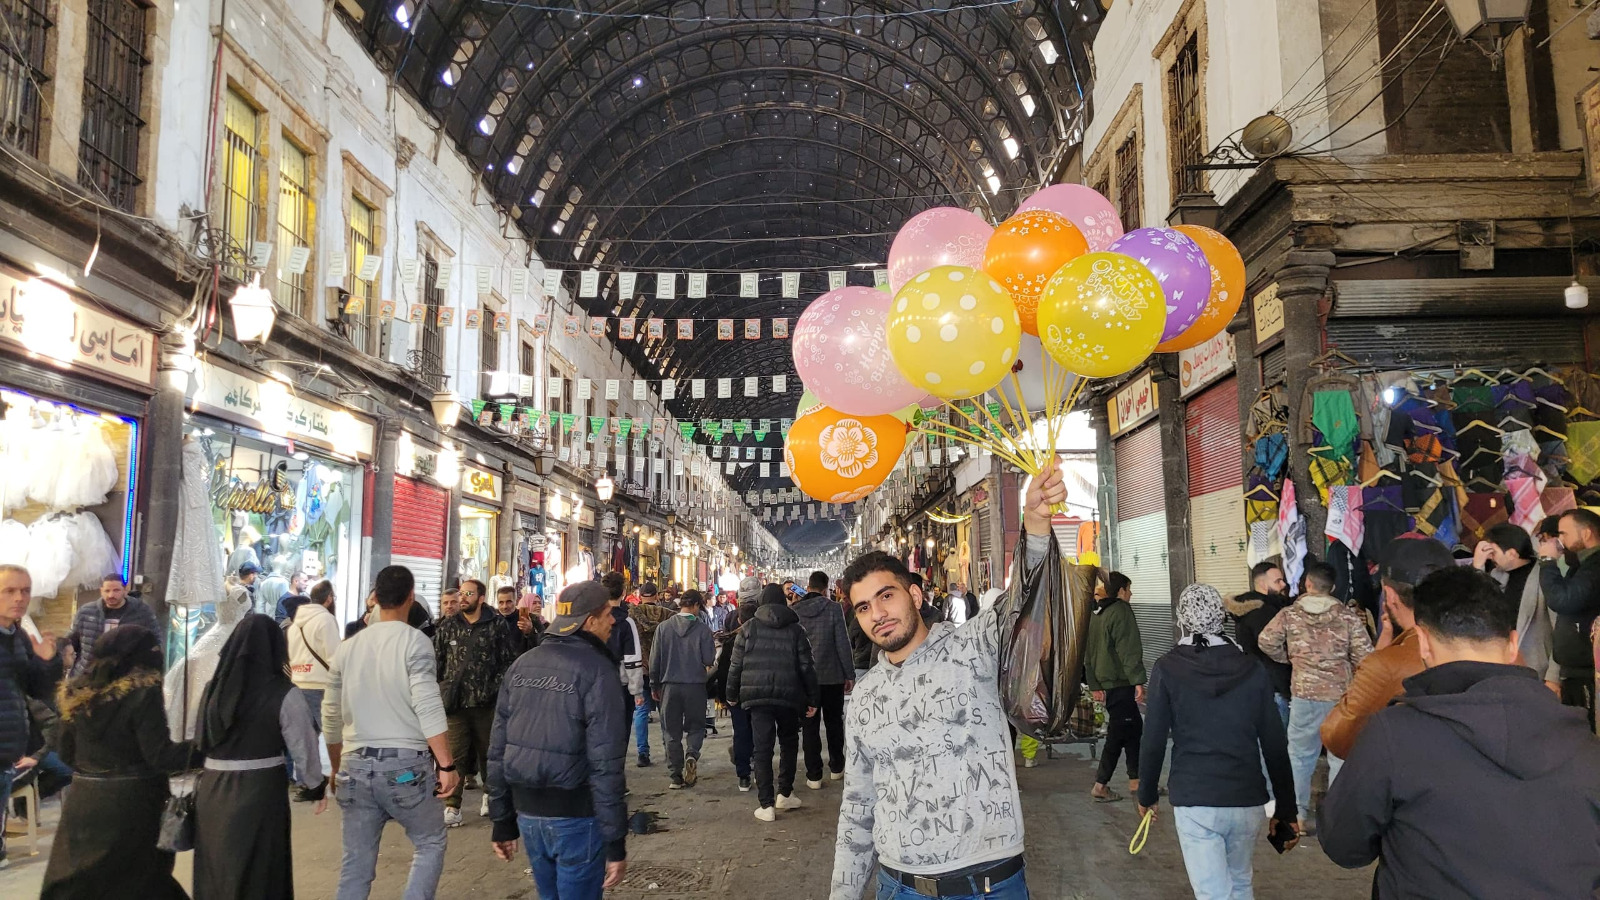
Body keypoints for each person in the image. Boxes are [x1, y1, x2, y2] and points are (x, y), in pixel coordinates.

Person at [830, 464, 1064, 900]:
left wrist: (1034, 527)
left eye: (886, 596)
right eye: (863, 608)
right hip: (900, 887)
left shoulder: (976, 645)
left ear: (915, 595)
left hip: (991, 885)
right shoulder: (864, 697)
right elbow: (858, 805)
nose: (877, 614)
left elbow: (1024, 604)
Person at [1318, 566, 1600, 896]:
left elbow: (1344, 846)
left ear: (1423, 642)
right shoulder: (1583, 741)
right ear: (1513, 645)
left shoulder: (1394, 735)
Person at [1137, 584, 1299, 900]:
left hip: (1196, 800)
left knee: (1213, 893)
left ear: (1182, 620)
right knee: (1240, 883)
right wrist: (1286, 808)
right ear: (1222, 617)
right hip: (1246, 798)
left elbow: (1153, 738)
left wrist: (1147, 793)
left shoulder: (1168, 668)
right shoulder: (1252, 667)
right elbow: (1274, 742)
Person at [322, 565, 458, 900]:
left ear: (376, 598)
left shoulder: (347, 647)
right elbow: (427, 703)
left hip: (354, 766)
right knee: (429, 842)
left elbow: (330, 714)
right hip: (405, 770)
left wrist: (336, 767)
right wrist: (446, 765)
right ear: (411, 597)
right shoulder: (416, 642)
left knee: (355, 863)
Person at [487, 581, 628, 898]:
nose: (613, 620)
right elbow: (606, 763)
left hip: (529, 816)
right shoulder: (598, 671)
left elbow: (497, 750)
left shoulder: (522, 665)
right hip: (576, 816)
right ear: (589, 621)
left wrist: (502, 820)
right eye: (607, 613)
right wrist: (615, 842)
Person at [41, 626, 194, 899]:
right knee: (137, 880)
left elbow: (65, 752)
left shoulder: (75, 692)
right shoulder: (143, 691)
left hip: (84, 800)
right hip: (133, 803)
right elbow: (160, 755)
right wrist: (204, 749)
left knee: (82, 879)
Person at [193, 614, 325, 899]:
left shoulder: (212, 689)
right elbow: (303, 745)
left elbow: (200, 737)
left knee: (217, 870)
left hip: (212, 791)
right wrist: (315, 785)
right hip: (259, 792)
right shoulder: (284, 693)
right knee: (260, 872)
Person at [1258, 559, 1372, 832]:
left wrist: (1290, 658)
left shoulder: (1289, 614)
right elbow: (1366, 656)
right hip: (1339, 698)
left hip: (1303, 695)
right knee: (1340, 756)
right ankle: (1337, 818)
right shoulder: (1347, 616)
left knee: (1299, 756)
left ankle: (1296, 815)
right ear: (1332, 587)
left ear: (1307, 584)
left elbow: (1265, 641)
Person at [1321, 537, 1454, 761]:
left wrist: (1377, 659)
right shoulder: (1496, 647)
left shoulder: (1387, 665)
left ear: (1390, 596)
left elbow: (1337, 738)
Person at [727, 583, 818, 822]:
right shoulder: (796, 630)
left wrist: (731, 694)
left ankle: (766, 805)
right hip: (789, 695)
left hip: (757, 697)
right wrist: (812, 698)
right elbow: (807, 667)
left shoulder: (748, 628)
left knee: (762, 748)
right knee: (789, 743)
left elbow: (735, 666)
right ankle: (785, 794)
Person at [435, 578, 522, 825]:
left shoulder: (496, 625)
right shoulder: (448, 626)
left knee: (489, 754)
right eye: (461, 594)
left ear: (481, 598)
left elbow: (508, 662)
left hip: (487, 705)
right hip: (456, 705)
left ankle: (489, 796)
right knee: (455, 756)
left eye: (468, 594)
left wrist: (492, 689)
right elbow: (438, 660)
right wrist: (442, 688)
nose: (462, 598)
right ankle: (452, 806)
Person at [0, 565, 63, 868]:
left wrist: (47, 662)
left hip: (8, 749)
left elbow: (37, 689)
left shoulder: (19, 636)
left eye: (25, 591)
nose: (19, 598)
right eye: (9, 591)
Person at [1536, 507, 1600, 729]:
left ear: (1586, 533)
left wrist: (1547, 560)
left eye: (1563, 533)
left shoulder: (1595, 566)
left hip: (1589, 672)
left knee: (1588, 733)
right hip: (1577, 670)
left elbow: (1563, 600)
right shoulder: (1581, 565)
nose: (1559, 540)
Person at [1085, 570, 1146, 801]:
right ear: (1121, 591)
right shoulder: (1121, 611)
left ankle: (1136, 780)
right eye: (1129, 589)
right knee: (1118, 733)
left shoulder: (1096, 613)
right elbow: (1128, 649)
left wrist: (1093, 683)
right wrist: (1138, 680)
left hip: (1107, 682)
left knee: (1133, 728)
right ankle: (1100, 785)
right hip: (1120, 682)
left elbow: (1087, 653)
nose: (1131, 594)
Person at [791, 570, 854, 789]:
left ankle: (814, 775)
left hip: (805, 679)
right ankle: (837, 767)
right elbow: (842, 643)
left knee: (809, 727)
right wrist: (849, 674)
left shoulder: (795, 611)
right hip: (832, 676)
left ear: (808, 587)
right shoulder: (834, 609)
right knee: (834, 723)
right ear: (826, 589)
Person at [649, 588, 716, 789]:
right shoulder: (703, 629)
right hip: (695, 686)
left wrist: (654, 684)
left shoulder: (663, 628)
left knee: (671, 731)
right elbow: (709, 659)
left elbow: (654, 660)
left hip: (669, 686)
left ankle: (675, 776)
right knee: (696, 726)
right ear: (695, 605)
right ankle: (692, 754)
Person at [1473, 523, 1557, 681]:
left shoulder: (1544, 574)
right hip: (1502, 665)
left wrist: (1554, 677)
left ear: (1512, 554)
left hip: (1536, 666)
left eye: (1493, 552)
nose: (1490, 557)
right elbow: (1476, 608)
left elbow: (1558, 628)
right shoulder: (1495, 574)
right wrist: (1477, 567)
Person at [287, 579, 341, 799]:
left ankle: (309, 783)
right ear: (328, 599)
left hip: (298, 683)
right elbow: (334, 656)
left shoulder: (295, 624)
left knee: (304, 739)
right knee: (334, 735)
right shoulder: (325, 620)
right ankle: (341, 779)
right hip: (321, 686)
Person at [1224, 562, 1292, 723]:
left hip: (1259, 682)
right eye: (1278, 581)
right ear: (1262, 584)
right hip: (1275, 684)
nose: (1284, 585)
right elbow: (1271, 646)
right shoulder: (1264, 612)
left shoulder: (1252, 608)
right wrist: (1290, 658)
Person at [602, 572, 651, 766]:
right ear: (623, 592)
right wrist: (637, 691)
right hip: (620, 687)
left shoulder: (593, 619)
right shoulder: (626, 622)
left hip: (596, 683)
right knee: (621, 732)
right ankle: (615, 770)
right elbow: (632, 659)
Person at [66, 574, 157, 678]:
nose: (111, 595)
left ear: (125, 590)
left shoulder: (142, 612)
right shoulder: (86, 612)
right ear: (101, 591)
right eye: (107, 591)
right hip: (87, 676)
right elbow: (72, 641)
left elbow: (154, 643)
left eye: (116, 590)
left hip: (124, 678)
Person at [710, 602, 757, 791]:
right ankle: (759, 769)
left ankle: (743, 775)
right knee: (759, 732)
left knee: (741, 732)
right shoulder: (764, 637)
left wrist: (724, 696)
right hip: (759, 692)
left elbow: (725, 672)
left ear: (739, 619)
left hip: (737, 695)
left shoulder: (731, 641)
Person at [497, 586, 539, 654]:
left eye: (509, 602)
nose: (505, 606)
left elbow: (541, 645)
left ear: (516, 602)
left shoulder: (531, 619)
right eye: (501, 602)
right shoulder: (493, 620)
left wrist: (530, 632)